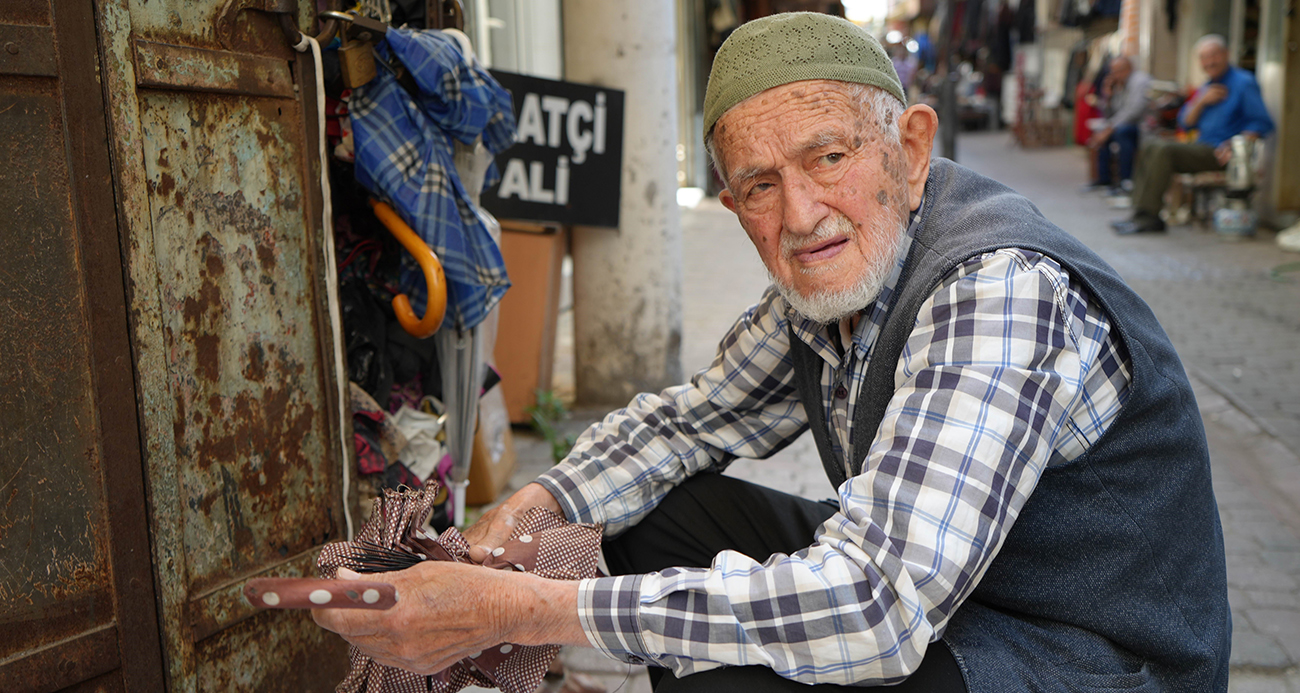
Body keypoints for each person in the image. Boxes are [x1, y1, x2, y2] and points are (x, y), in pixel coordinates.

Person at [315, 13, 1230, 692]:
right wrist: (517, 517)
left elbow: (874, 605)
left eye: (829, 156)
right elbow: (686, 422)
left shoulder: (998, 288)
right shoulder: (827, 282)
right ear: (733, 203)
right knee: (643, 522)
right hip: (957, 602)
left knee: (742, 668)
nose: (799, 215)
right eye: (760, 184)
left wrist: (519, 611)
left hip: (1091, 656)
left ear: (909, 151)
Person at [1112, 34, 1274, 235]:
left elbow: (1262, 122)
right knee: (1151, 144)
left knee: (1164, 149)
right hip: (1201, 148)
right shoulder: (1207, 87)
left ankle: (1151, 217)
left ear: (1226, 55)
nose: (1210, 62)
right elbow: (1185, 122)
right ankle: (1140, 213)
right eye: (1204, 57)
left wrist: (1234, 145)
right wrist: (1202, 101)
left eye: (1214, 55)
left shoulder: (1243, 82)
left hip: (1221, 154)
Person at [1085, 55, 1151, 194]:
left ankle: (1126, 182)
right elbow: (1110, 114)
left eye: (1118, 71)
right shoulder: (1119, 85)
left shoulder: (1140, 81)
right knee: (1102, 132)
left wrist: (1110, 128)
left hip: (1142, 127)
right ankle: (1104, 180)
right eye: (1113, 71)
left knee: (1121, 133)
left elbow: (1134, 111)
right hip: (1123, 125)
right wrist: (1108, 96)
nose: (1115, 75)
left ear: (1129, 69)